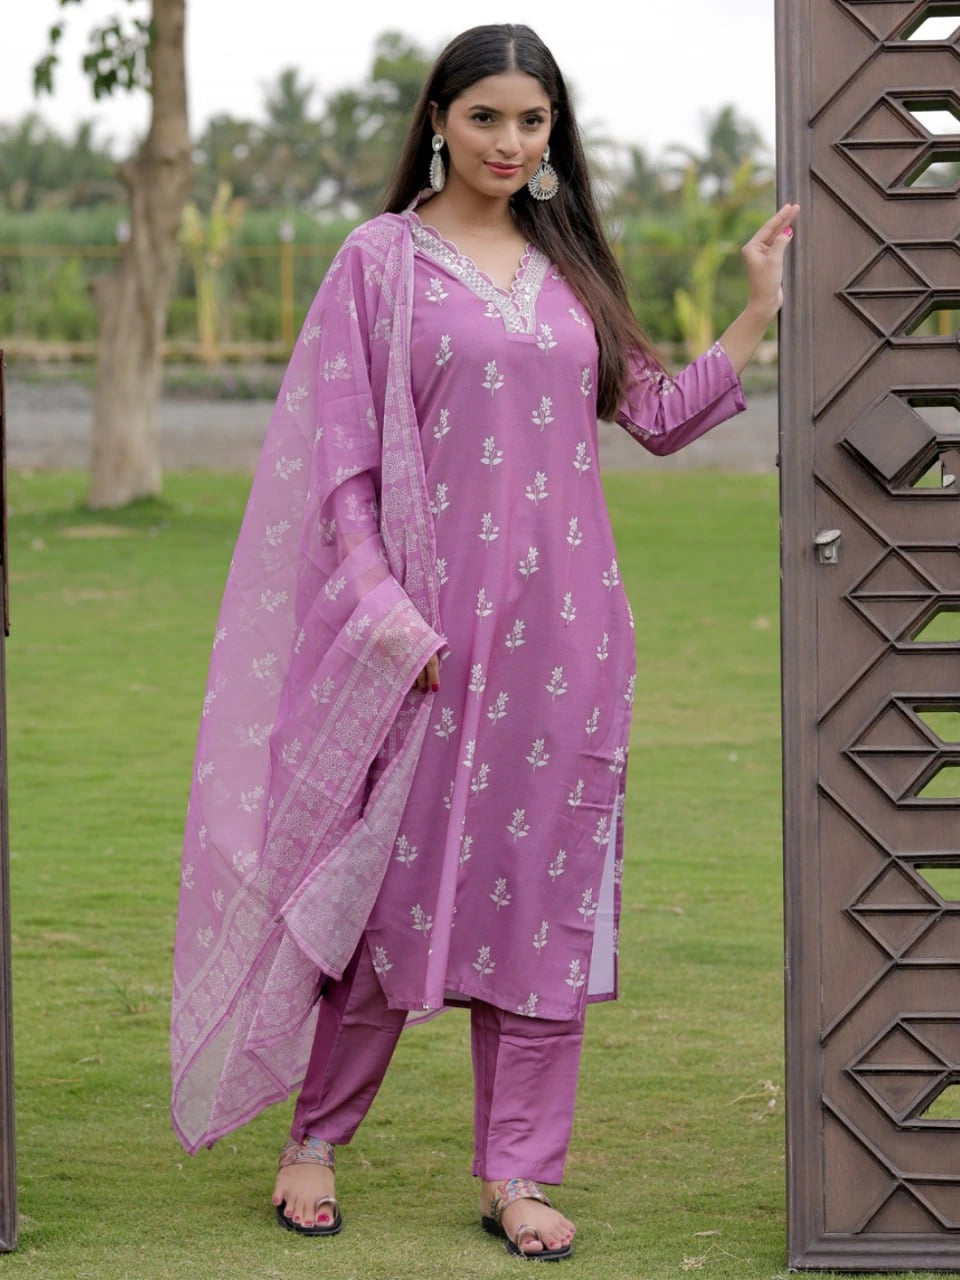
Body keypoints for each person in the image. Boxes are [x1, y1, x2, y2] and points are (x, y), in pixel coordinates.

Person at [170, 22, 797, 1260]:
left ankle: (519, 1172)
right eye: (489, 118)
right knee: (383, 893)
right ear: (441, 121)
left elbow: (660, 417)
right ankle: (316, 1137)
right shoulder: (378, 262)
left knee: (541, 905)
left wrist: (754, 312)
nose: (511, 143)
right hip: (422, 647)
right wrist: (392, 621)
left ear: (553, 134)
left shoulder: (572, 267)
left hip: (566, 648)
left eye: (534, 121)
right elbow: (344, 469)